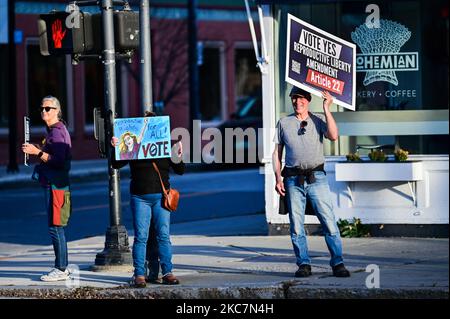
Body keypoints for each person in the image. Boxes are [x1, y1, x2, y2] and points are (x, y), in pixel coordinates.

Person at [272, 86, 350, 278]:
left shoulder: (318, 119)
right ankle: (303, 264)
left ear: (308, 100)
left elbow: (333, 136)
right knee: (296, 225)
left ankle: (338, 262)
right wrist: (277, 178)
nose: (297, 102)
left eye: (301, 99)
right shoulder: (284, 122)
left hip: (317, 178)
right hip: (292, 179)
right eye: (294, 99)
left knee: (328, 221)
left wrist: (327, 108)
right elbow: (277, 153)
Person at [112, 111, 184, 288]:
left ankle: (167, 272)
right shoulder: (134, 146)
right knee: (141, 237)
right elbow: (116, 164)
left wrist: (179, 155)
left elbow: (180, 169)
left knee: (163, 236)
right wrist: (115, 147)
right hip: (140, 197)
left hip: (161, 196)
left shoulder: (165, 146)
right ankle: (139, 274)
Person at [22, 95, 72, 282]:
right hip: (53, 183)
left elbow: (59, 162)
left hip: (55, 185)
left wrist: (38, 152)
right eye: (42, 108)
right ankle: (62, 267)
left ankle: (61, 268)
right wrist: (36, 149)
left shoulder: (58, 132)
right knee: (56, 227)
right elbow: (53, 155)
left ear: (57, 111)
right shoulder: (53, 131)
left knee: (55, 227)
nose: (44, 111)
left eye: (48, 108)